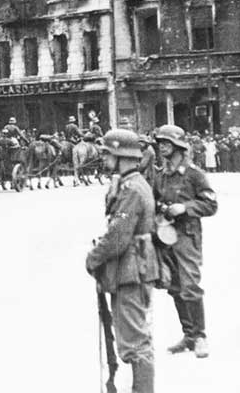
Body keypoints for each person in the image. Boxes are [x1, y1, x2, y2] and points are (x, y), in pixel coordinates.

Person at [86, 129, 158, 393]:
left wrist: (94, 258)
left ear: (120, 155)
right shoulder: (128, 184)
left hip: (132, 269)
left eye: (107, 154)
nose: (104, 159)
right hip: (130, 269)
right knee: (133, 340)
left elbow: (118, 235)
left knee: (135, 344)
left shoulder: (133, 189)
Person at [153, 124, 217, 359]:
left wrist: (186, 207)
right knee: (174, 286)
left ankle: (200, 336)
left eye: (167, 143)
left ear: (179, 146)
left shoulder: (194, 174)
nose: (162, 147)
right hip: (165, 236)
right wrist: (161, 208)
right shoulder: (160, 174)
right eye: (160, 143)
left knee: (190, 285)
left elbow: (211, 204)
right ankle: (188, 335)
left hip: (187, 236)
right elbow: (154, 200)